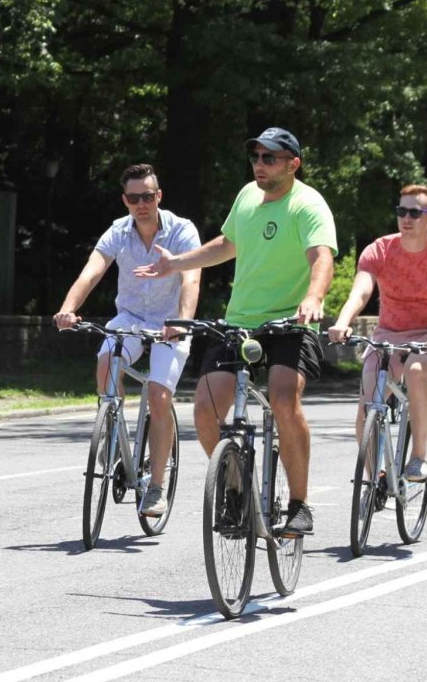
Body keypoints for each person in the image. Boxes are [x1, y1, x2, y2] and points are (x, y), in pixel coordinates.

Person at [135, 127, 336, 537]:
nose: (260, 165)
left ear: (293, 164)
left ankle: (299, 504)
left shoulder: (308, 205)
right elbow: (228, 245)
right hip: (242, 321)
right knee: (205, 408)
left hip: (289, 324)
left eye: (270, 158)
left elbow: (321, 258)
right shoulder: (247, 196)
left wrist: (313, 298)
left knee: (283, 398)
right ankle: (234, 486)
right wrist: (177, 264)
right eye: (256, 157)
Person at [54, 164, 201, 518]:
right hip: (131, 318)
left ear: (159, 196)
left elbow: (191, 281)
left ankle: (156, 487)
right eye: (134, 198)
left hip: (171, 322)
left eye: (148, 196)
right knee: (106, 361)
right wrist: (67, 309)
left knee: (157, 394)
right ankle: (113, 428)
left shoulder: (182, 231)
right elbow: (91, 271)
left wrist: (180, 323)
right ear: (125, 201)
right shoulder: (118, 232)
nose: (141, 204)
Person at [327, 184, 427, 484]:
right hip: (387, 336)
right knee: (368, 404)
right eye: (401, 211)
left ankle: (419, 458)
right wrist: (343, 321)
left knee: (416, 372)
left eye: (415, 213)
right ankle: (375, 479)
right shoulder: (379, 250)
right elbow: (361, 290)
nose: (406, 218)